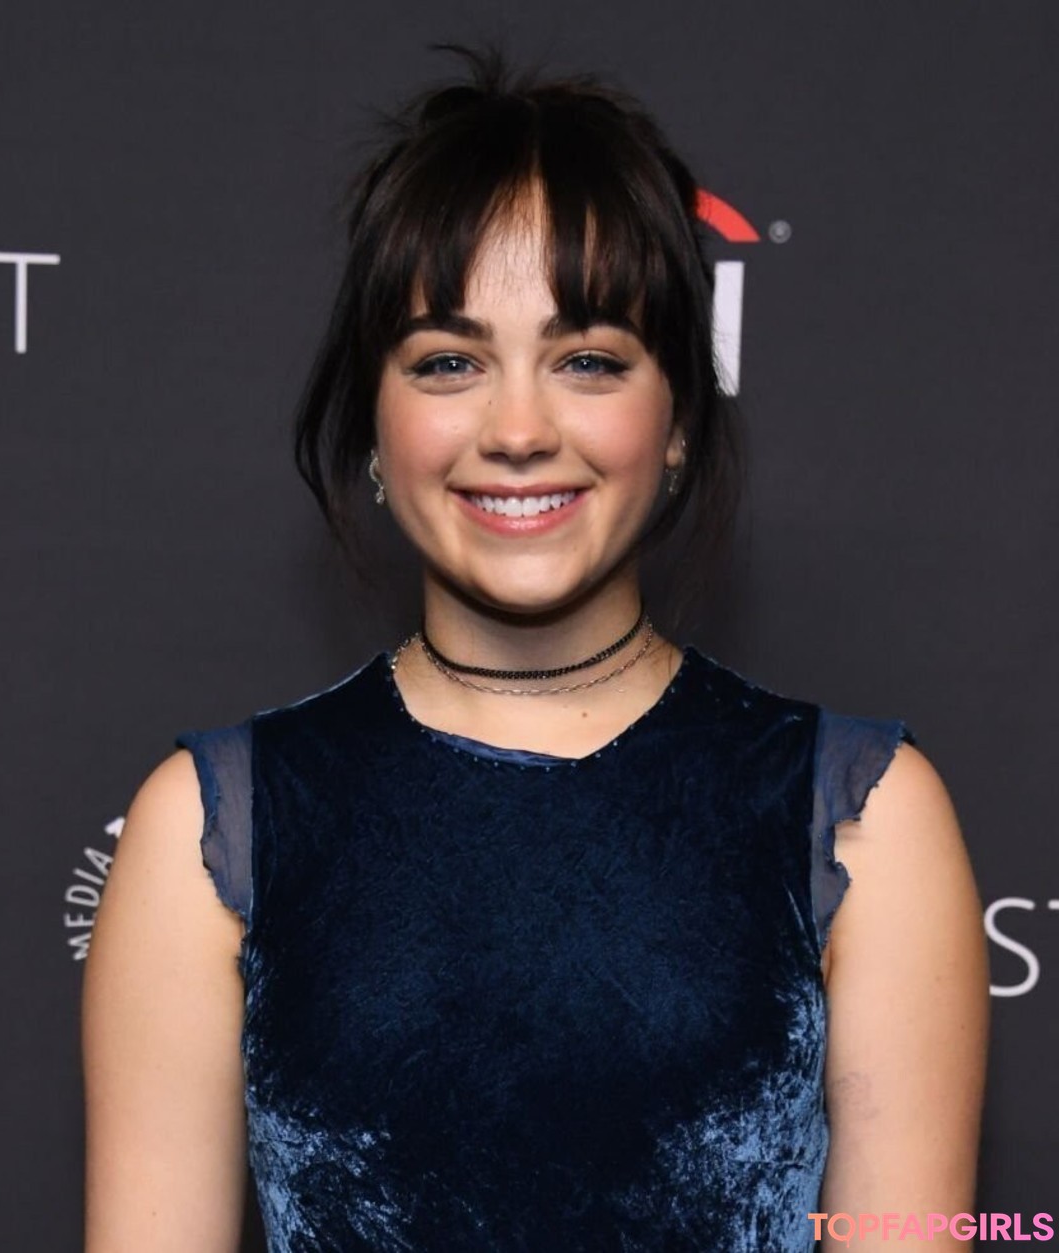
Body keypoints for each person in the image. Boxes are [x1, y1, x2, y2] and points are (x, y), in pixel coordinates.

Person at [82, 48, 989, 1252]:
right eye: (449, 362)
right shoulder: (210, 830)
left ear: (678, 419)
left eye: (589, 360)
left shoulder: (863, 817)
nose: (518, 429)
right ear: (374, 423)